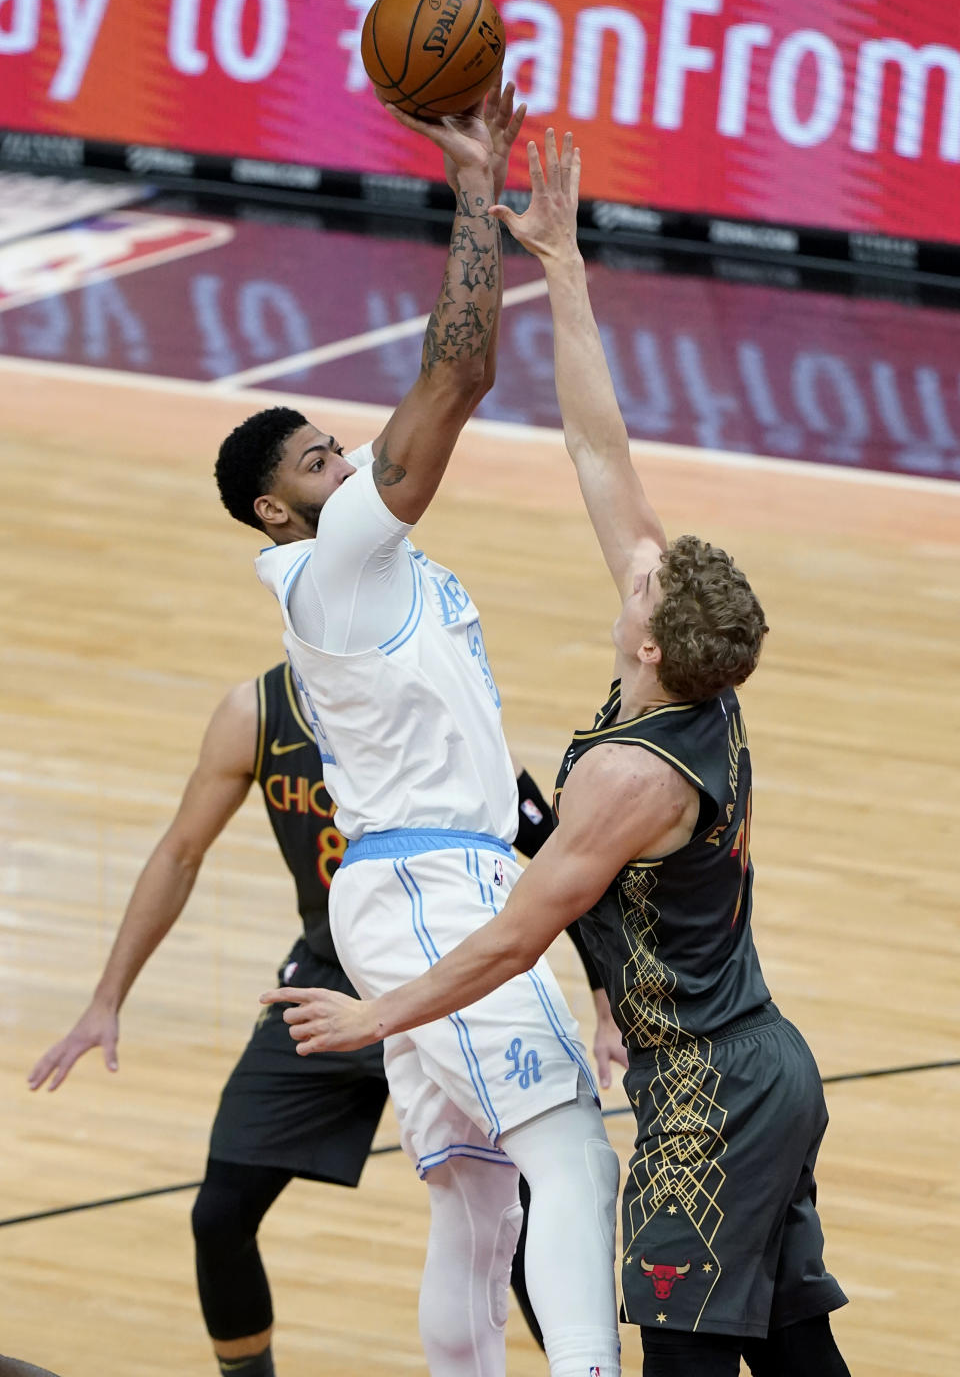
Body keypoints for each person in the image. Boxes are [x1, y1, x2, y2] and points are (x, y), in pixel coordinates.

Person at [267, 132, 852, 1377]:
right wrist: (564, 266)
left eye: (642, 587)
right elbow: (601, 452)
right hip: (766, 1059)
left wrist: (380, 1014)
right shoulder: (700, 691)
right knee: (800, 1353)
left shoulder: (627, 778)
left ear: (650, 643)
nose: (633, 572)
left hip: (707, 1093)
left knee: (681, 1356)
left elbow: (510, 938)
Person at [213, 95, 622, 1377]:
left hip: (420, 880)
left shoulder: (367, 562)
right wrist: (472, 194)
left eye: (338, 445)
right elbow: (461, 369)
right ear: (280, 515)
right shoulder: (333, 560)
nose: (347, 462)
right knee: (570, 1155)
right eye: (319, 462)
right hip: (436, 883)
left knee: (476, 1200)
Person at [28, 658, 623, 1377]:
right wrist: (106, 999)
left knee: (522, 1222)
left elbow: (567, 858)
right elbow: (180, 853)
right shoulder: (255, 712)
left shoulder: (426, 695)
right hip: (322, 983)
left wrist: (605, 1002)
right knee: (219, 1214)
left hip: (441, 975)